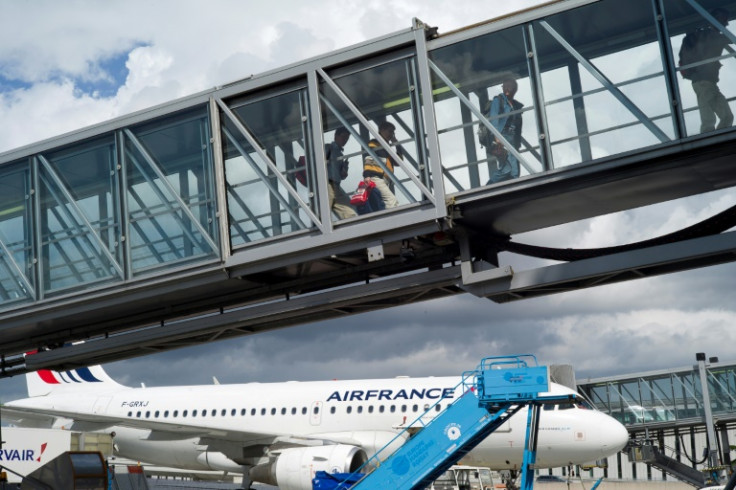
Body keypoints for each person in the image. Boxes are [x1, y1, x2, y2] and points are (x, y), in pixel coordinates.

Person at [680, 8, 734, 133]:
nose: (726, 24)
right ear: (716, 21)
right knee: (708, 121)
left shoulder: (710, 36)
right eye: (724, 20)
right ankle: (710, 142)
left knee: (727, 116)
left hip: (709, 82)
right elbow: (731, 39)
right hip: (702, 81)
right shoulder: (710, 36)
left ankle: (720, 140)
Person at [485, 78, 524, 185]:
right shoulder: (498, 101)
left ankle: (513, 191)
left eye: (509, 87)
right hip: (503, 137)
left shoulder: (515, 105)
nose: (507, 89)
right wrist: (497, 137)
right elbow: (494, 119)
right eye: (505, 86)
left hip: (513, 139)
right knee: (507, 168)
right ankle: (489, 187)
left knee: (515, 171)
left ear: (514, 89)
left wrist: (517, 142)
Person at [363, 121, 401, 209]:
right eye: (390, 131)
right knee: (392, 200)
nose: (391, 134)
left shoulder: (387, 146)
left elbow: (398, 162)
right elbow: (368, 159)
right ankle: (392, 220)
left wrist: (396, 144)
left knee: (384, 203)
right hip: (376, 178)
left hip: (385, 180)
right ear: (381, 130)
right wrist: (367, 176)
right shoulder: (374, 143)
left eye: (393, 132)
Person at [325, 127, 357, 220]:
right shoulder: (328, 148)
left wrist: (344, 170)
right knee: (325, 207)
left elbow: (342, 176)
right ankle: (319, 226)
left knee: (348, 208)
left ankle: (352, 221)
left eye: (347, 138)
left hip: (336, 185)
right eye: (343, 137)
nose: (345, 140)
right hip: (327, 183)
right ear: (336, 136)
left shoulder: (340, 154)